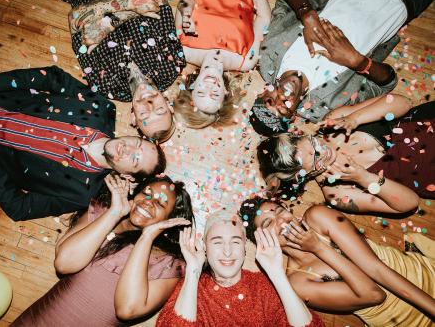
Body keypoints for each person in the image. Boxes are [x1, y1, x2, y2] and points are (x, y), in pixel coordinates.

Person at [0, 66, 166, 221]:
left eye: (135, 159)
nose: (129, 149)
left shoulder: (80, 194)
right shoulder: (102, 108)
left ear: (127, 176)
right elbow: (52, 76)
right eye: (138, 143)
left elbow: (19, 208)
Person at [12, 174, 195, 326]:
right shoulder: (102, 214)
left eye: (161, 204)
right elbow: (63, 263)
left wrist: (147, 237)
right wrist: (115, 212)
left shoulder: (169, 265)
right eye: (146, 193)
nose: (148, 202)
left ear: (170, 220)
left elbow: (127, 310)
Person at [250, 0, 434, 136]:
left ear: (263, 91)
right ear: (293, 115)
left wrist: (305, 12)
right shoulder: (329, 106)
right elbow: (387, 83)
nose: (281, 98)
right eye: (283, 108)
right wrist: (358, 62)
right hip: (407, 2)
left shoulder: (268, 54)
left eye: (270, 101)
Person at [239, 198, 435, 326]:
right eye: (268, 223)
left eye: (279, 211)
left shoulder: (318, 217)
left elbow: (377, 269)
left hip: (424, 276)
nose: (281, 221)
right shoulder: (299, 281)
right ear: (262, 240)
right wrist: (319, 248)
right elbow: (374, 295)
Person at [257, 94, 434, 214]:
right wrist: (364, 178)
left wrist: (354, 118)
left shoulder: (334, 120)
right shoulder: (337, 194)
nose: (323, 151)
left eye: (314, 143)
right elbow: (410, 203)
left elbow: (404, 103)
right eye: (316, 159)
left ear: (300, 136)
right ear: (301, 176)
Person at [156, 213, 324, 326]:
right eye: (217, 242)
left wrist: (277, 274)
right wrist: (193, 271)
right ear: (205, 247)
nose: (227, 251)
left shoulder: (262, 286)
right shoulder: (190, 289)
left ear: (245, 248)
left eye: (235, 241)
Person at [61, 0, 186, 142]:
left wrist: (122, 12)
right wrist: (104, 24)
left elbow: (74, 17)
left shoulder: (104, 86)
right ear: (170, 106)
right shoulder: (173, 64)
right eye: (160, 110)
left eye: (144, 115)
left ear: (133, 118)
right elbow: (157, 0)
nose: (148, 104)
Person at [172, 0, 272, 129]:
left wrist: (186, 12)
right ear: (225, 92)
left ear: (192, 87)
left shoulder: (183, 50)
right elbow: (263, 18)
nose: (210, 86)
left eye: (201, 92)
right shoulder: (246, 61)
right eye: (215, 94)